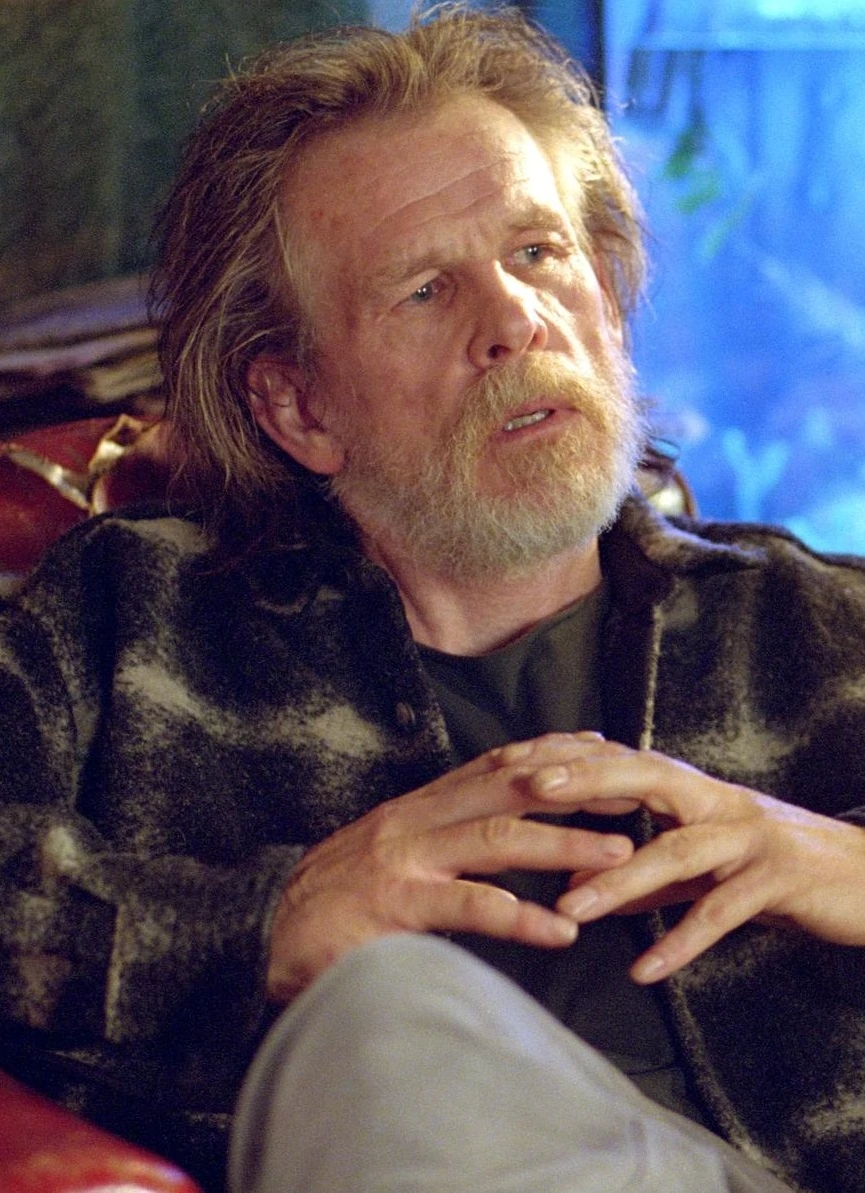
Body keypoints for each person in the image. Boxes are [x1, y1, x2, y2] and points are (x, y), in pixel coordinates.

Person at [1, 6, 865, 1191]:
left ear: (608, 303)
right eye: (422, 290)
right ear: (299, 405)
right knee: (383, 1021)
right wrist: (258, 926)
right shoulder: (129, 620)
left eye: (539, 253)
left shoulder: (821, 630)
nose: (513, 320)